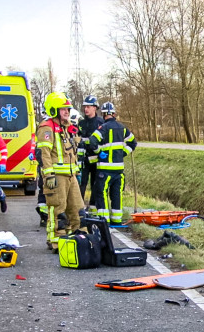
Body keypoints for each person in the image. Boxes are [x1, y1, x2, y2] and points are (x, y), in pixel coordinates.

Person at [36, 92, 83, 250]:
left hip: (71, 176)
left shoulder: (68, 128)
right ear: (54, 110)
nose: (67, 112)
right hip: (56, 177)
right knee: (58, 210)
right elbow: (44, 153)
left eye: (68, 110)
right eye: (63, 109)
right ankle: (57, 241)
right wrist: (48, 174)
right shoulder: (47, 128)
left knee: (77, 209)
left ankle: (78, 239)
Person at [86, 101, 138, 225]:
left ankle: (104, 220)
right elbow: (133, 143)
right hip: (119, 169)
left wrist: (99, 152)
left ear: (103, 115)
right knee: (116, 194)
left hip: (104, 168)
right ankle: (116, 219)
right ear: (114, 114)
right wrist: (122, 153)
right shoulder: (123, 128)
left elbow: (92, 142)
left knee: (102, 193)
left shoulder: (102, 128)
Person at [77, 95, 103, 209]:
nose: (86, 109)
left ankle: (93, 208)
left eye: (88, 106)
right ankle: (79, 208)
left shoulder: (100, 123)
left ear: (94, 107)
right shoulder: (81, 123)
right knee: (81, 184)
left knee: (95, 185)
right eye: (85, 107)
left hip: (97, 159)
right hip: (83, 160)